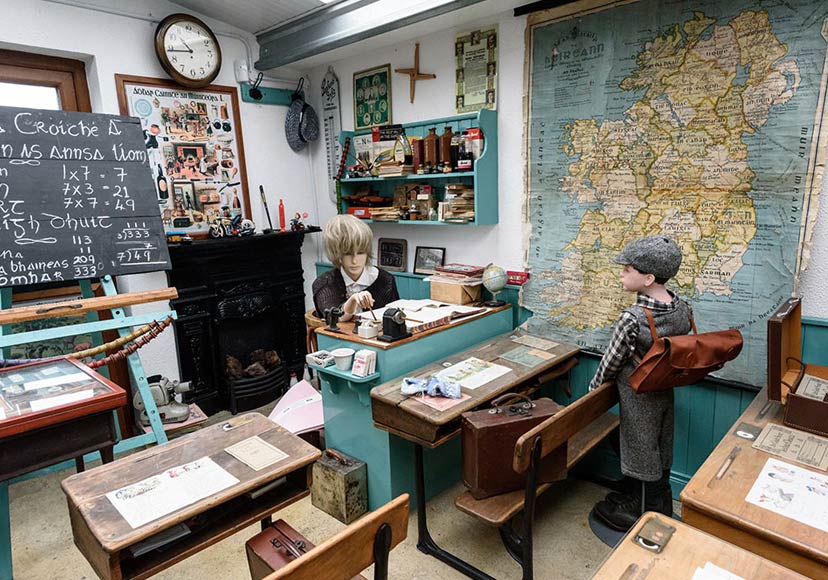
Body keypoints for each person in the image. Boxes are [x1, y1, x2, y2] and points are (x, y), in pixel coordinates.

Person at [588, 235, 691, 532]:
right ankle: (654, 499)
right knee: (658, 444)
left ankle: (641, 507)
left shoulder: (632, 318)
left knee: (639, 446)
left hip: (637, 395)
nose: (621, 273)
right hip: (663, 391)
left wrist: (594, 389)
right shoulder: (681, 308)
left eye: (628, 269)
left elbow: (611, 361)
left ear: (647, 278)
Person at [312, 215, 399, 322]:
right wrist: (352, 300)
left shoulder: (386, 280)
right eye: (348, 254)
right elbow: (334, 319)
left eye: (361, 252)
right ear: (336, 254)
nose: (354, 260)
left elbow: (394, 318)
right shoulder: (324, 283)